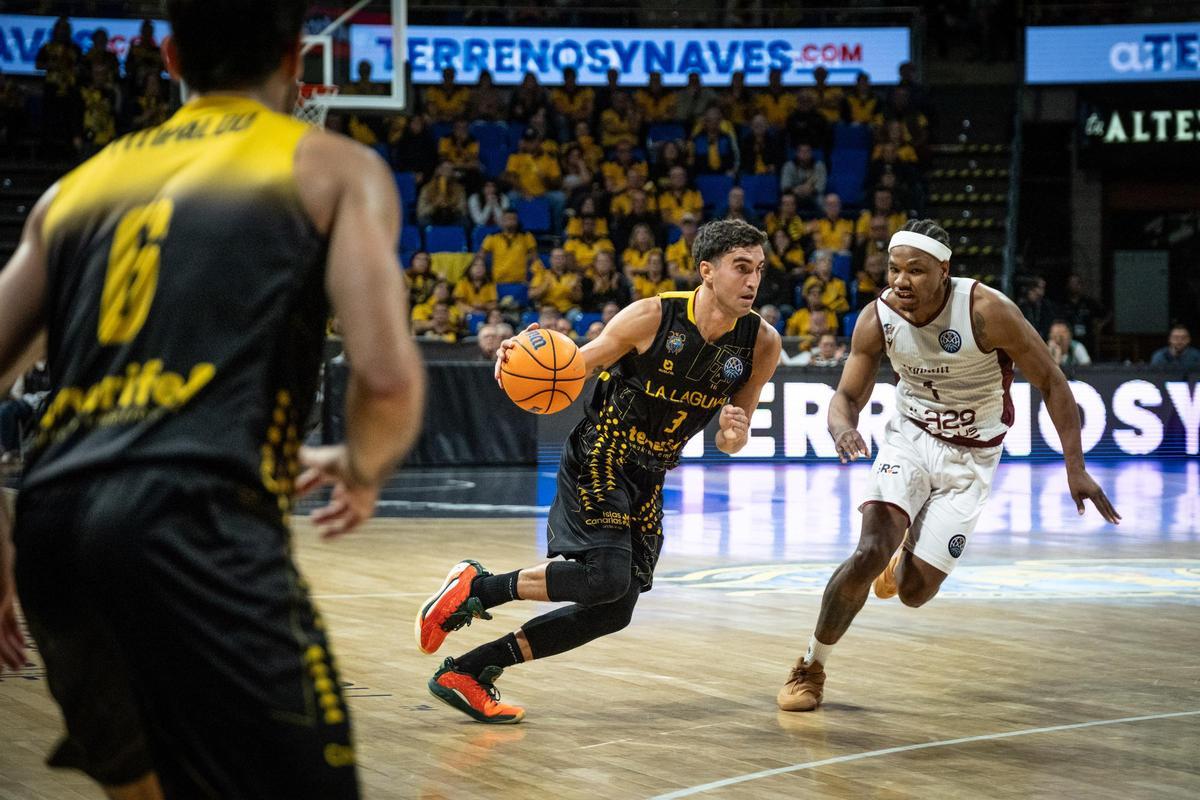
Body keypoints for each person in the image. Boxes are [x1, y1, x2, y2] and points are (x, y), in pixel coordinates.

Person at [0, 1, 428, 796]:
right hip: (197, 513)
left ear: (169, 57)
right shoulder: (329, 165)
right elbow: (389, 376)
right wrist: (363, 463)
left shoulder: (74, 190)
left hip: (54, 527)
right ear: (299, 58)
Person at [416, 219, 781, 723]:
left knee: (615, 608)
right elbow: (575, 365)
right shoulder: (652, 316)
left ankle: (471, 670)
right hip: (602, 450)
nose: (753, 281)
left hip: (652, 473)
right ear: (707, 272)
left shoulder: (761, 343)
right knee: (605, 576)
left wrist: (733, 433)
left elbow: (731, 439)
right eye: (742, 268)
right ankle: (479, 588)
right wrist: (524, 354)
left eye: (759, 269)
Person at [776, 220, 1119, 714]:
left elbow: (1053, 382)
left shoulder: (986, 311)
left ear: (944, 270)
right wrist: (842, 427)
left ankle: (904, 562)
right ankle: (811, 665)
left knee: (914, 593)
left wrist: (1076, 467)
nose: (901, 280)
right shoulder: (877, 319)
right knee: (870, 548)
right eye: (894, 269)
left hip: (972, 458)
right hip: (909, 441)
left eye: (916, 270)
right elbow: (847, 396)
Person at [479, 209, 538, 285]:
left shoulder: (526, 236)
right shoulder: (492, 237)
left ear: (517, 221)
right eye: (507, 219)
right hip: (498, 282)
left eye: (513, 219)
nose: (510, 221)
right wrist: (486, 277)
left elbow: (535, 259)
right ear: (501, 221)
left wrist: (533, 278)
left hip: (520, 282)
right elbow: (480, 257)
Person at [416, 161, 467, 226]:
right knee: (422, 220)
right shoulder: (426, 189)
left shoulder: (459, 189)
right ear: (438, 170)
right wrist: (435, 205)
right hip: (432, 216)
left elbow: (463, 210)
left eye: (449, 169)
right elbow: (421, 211)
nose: (446, 172)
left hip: (452, 216)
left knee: (464, 220)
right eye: (444, 169)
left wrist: (450, 205)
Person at [780, 143, 827, 213]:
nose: (804, 154)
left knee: (821, 200)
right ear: (797, 153)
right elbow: (784, 186)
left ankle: (824, 222)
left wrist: (811, 190)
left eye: (807, 151)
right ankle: (787, 222)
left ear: (811, 153)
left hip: (813, 195)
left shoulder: (819, 165)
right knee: (787, 200)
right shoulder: (789, 166)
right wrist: (796, 190)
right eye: (802, 151)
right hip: (794, 194)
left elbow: (821, 185)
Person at [1018, 275, 1057, 341]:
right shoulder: (1022, 306)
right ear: (1031, 289)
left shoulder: (1046, 306)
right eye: (1040, 288)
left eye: (1043, 288)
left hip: (1042, 340)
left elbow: (1048, 324)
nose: (1042, 291)